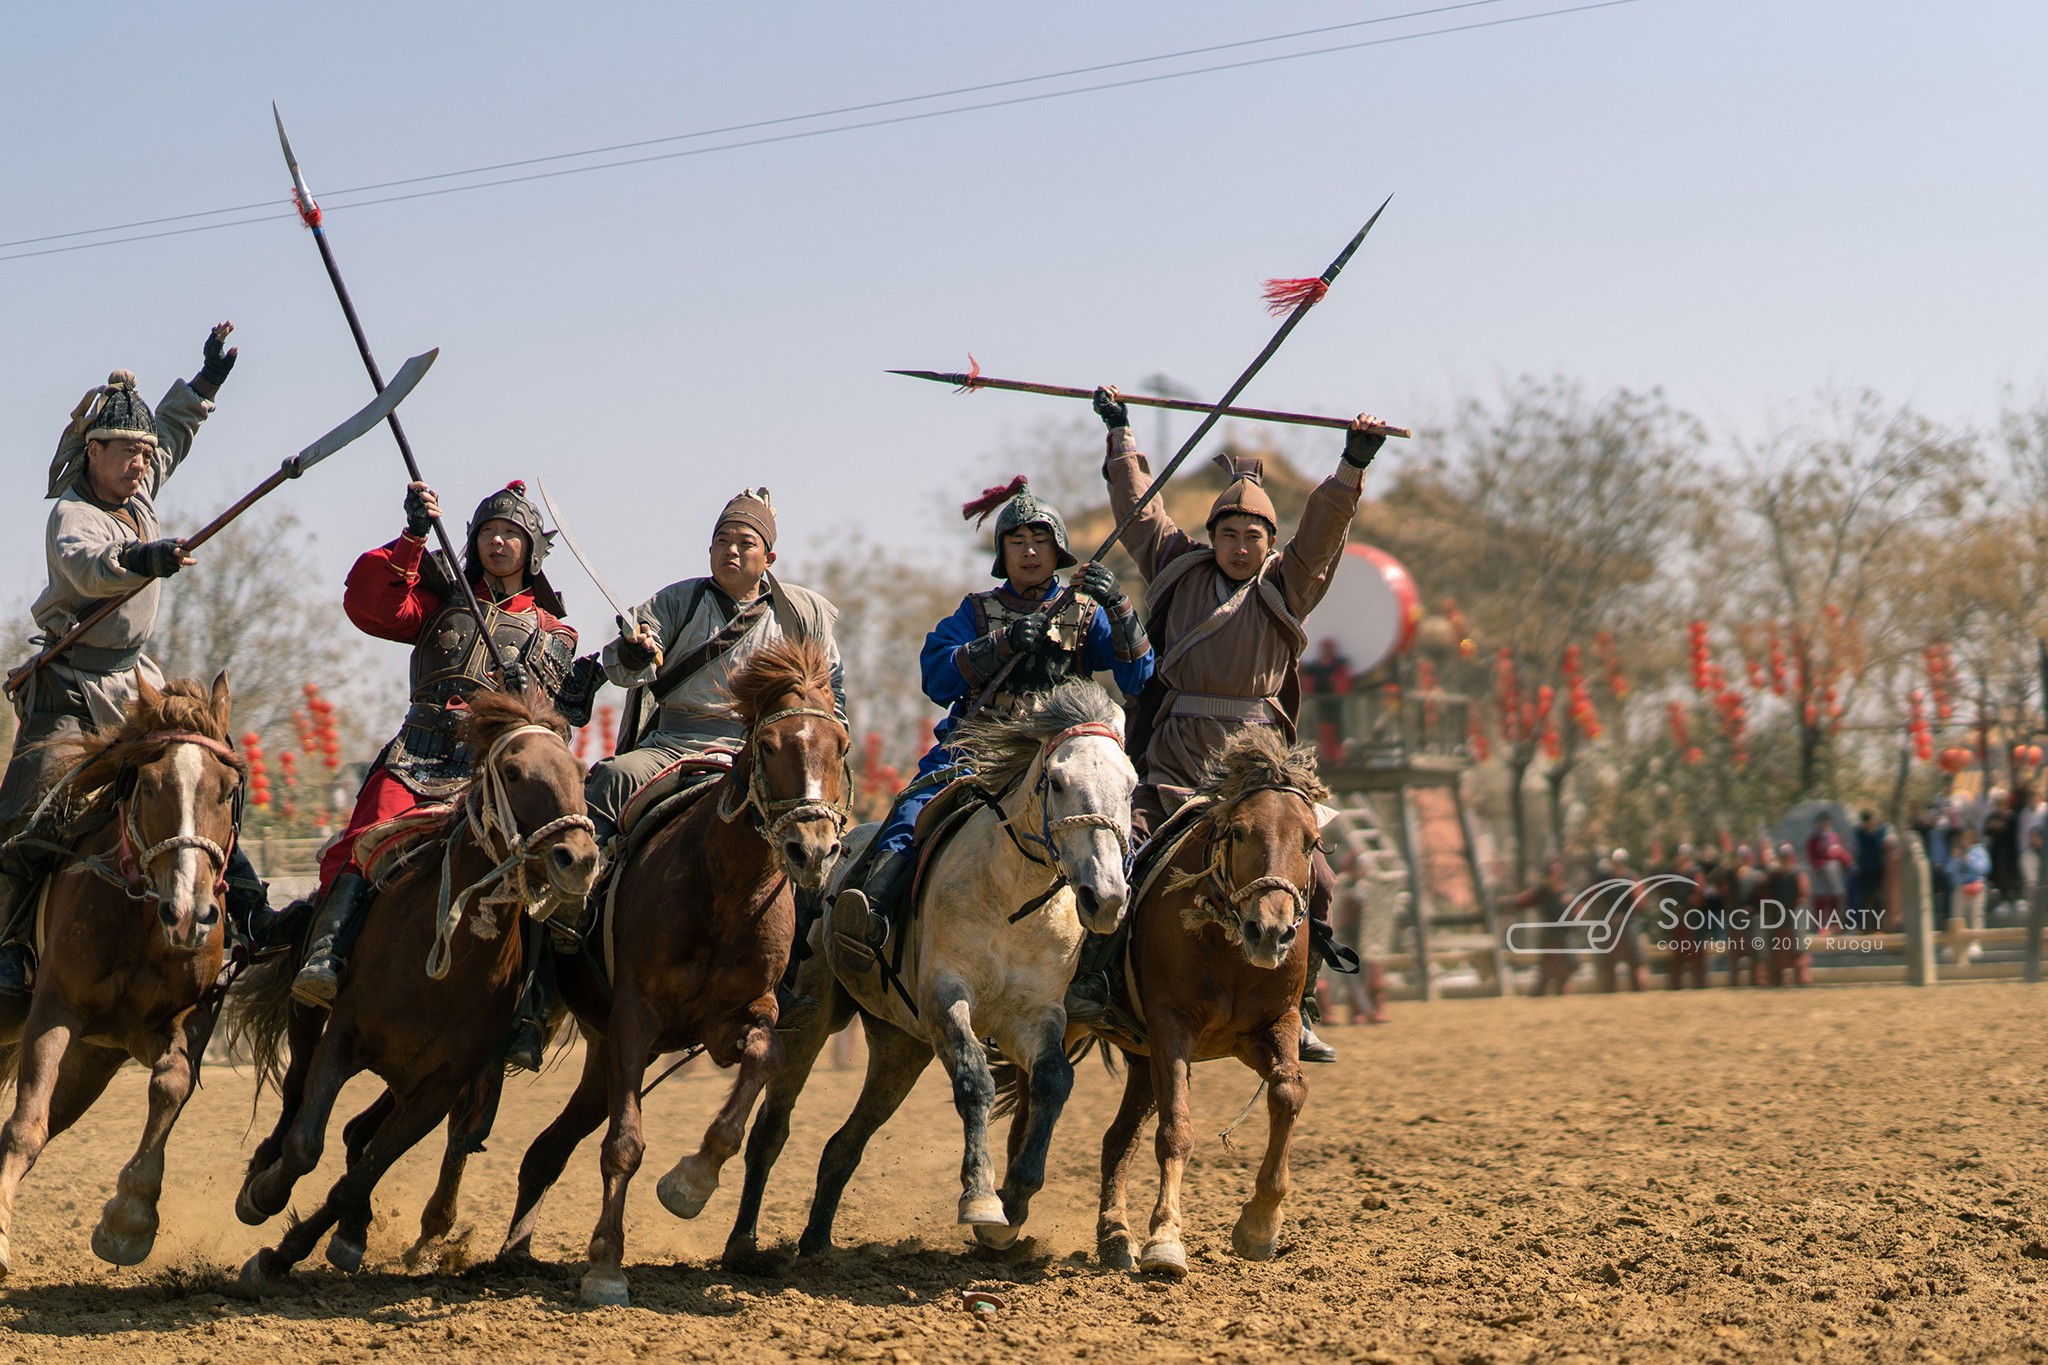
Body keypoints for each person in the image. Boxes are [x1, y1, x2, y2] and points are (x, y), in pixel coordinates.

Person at [1094, 385, 1385, 1062]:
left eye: (1253, 535)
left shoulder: (1288, 587)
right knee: (1124, 852)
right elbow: (1140, 512)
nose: (1239, 544)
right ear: (1211, 535)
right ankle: (1100, 979)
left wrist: (1351, 466)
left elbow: (1321, 534)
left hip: (1258, 768)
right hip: (1174, 759)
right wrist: (1121, 435)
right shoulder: (1176, 567)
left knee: (1321, 879)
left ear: (1269, 543)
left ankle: (1298, 1000)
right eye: (1227, 533)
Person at [291, 480, 602, 1071]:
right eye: (488, 532)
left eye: (511, 533)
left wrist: (622, 664)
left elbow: (567, 710)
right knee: (365, 841)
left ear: (532, 550)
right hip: (419, 754)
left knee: (536, 866)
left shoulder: (556, 632)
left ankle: (529, 1008)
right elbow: (371, 605)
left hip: (493, 775)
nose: (498, 541)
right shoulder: (441, 598)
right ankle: (326, 954)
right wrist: (411, 536)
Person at [0, 325, 267, 995]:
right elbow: (90, 569)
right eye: (129, 453)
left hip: (134, 685)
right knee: (23, 815)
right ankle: (7, 943)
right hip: (67, 693)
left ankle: (251, 910)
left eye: (146, 457)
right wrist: (144, 559)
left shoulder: (142, 487)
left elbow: (173, 432)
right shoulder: (72, 514)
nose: (142, 465)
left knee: (206, 775)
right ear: (94, 452)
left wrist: (203, 384)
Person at [832, 477, 1152, 998]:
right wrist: (999, 644)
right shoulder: (976, 612)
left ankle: (1113, 964)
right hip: (976, 749)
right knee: (914, 810)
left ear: (1059, 550)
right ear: (1003, 553)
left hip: (1057, 761)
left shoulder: (1086, 611)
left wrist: (1119, 606)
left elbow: (1138, 677)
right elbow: (936, 676)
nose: (1030, 551)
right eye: (1017, 541)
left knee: (1114, 832)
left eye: (1040, 540)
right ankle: (874, 916)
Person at [585, 488, 842, 849]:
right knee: (612, 776)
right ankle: (585, 890)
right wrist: (636, 652)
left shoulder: (797, 616)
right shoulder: (677, 601)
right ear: (710, 552)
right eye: (722, 541)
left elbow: (834, 690)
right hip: (672, 747)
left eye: (745, 543)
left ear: (769, 558)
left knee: (817, 817)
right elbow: (623, 665)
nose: (731, 550)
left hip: (760, 753)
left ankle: (822, 902)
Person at [1513, 857, 1575, 997]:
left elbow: (1579, 913)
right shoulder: (1542, 892)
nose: (1553, 878)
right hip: (1549, 939)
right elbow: (1522, 901)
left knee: (1564, 978)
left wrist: (1573, 908)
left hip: (1564, 939)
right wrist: (1510, 902)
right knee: (1544, 977)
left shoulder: (1568, 893)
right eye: (1550, 875)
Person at [1301, 638, 1354, 763]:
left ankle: (1338, 755)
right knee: (1322, 727)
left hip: (1334, 702)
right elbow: (1310, 683)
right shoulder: (1315, 666)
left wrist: (1334, 685)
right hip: (1320, 702)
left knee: (1337, 729)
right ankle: (1325, 755)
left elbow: (1342, 682)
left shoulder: (1339, 664)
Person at [1946, 825, 1991, 960]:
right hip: (1960, 887)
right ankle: (1955, 944)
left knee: (1975, 916)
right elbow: (1948, 870)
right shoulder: (1957, 852)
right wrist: (1955, 859)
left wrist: (1968, 860)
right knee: (1956, 916)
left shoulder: (1979, 851)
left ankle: (1975, 943)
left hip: (1976, 887)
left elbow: (1983, 869)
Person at [1805, 812, 1852, 937]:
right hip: (1820, 870)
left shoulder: (1834, 837)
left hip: (1834, 869)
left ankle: (1836, 924)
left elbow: (1842, 852)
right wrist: (1819, 864)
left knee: (1836, 896)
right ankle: (1820, 925)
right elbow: (1812, 854)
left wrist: (1848, 862)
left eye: (1826, 822)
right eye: (1822, 822)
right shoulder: (1814, 839)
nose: (1825, 825)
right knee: (1821, 897)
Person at [1851, 808, 1889, 915]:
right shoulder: (1860, 832)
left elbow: (1879, 846)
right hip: (1865, 867)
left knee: (1878, 896)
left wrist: (1873, 833)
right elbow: (1862, 846)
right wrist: (1867, 832)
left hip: (1877, 867)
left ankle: (1878, 926)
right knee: (1865, 896)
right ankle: (1864, 925)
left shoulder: (1879, 831)